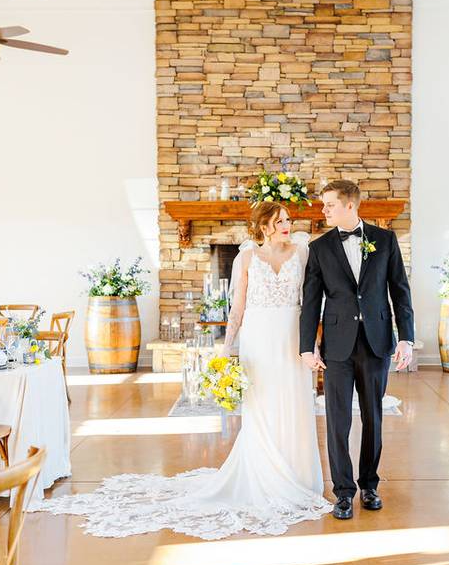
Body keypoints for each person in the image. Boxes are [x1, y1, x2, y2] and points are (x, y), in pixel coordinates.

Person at [36, 201, 330, 540]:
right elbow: (237, 310)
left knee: (294, 404)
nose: (286, 225)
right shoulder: (247, 257)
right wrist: (225, 348)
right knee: (262, 405)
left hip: (292, 336)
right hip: (259, 339)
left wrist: (314, 342)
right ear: (263, 227)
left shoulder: (302, 251)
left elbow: (313, 301)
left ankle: (298, 476)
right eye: (280, 221)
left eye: (288, 220)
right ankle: (265, 477)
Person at [299, 180, 415, 520]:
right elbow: (311, 301)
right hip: (336, 345)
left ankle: (369, 484)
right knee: (337, 419)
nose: (324, 211)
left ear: (350, 205)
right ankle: (343, 492)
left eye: (329, 205)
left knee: (373, 417)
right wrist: (308, 347)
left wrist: (405, 337)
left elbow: (401, 292)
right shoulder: (319, 248)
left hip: (376, 341)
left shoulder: (385, 240)